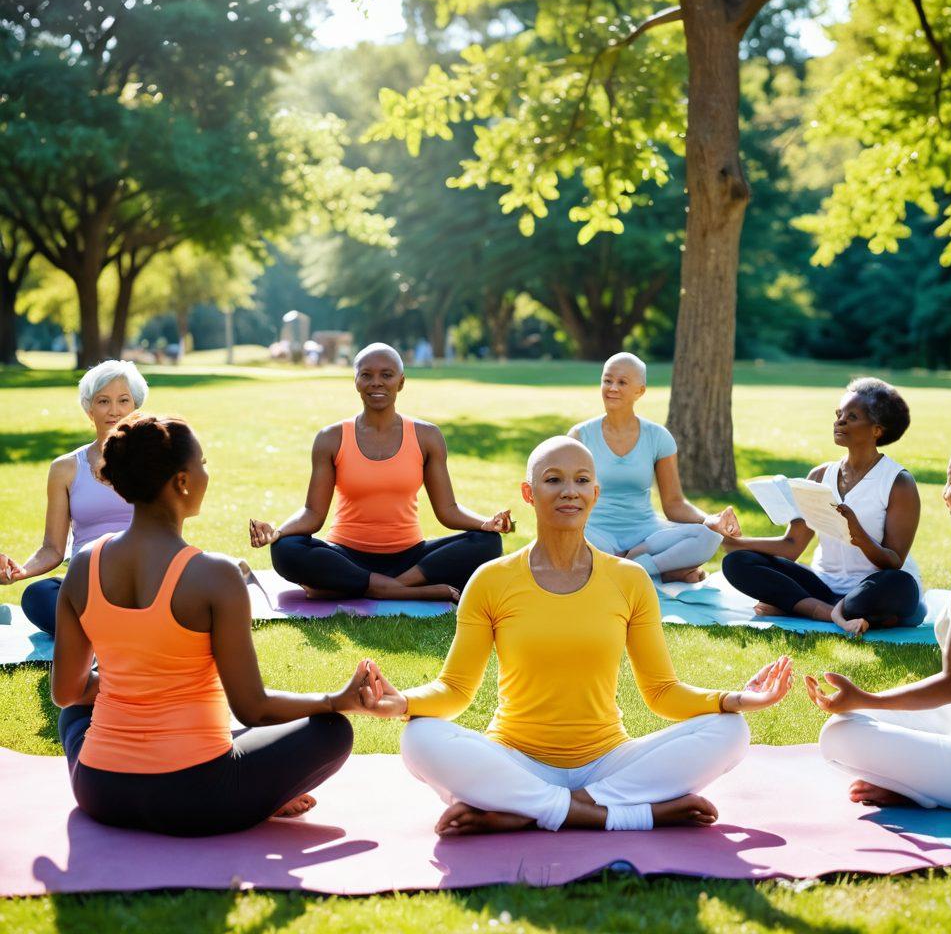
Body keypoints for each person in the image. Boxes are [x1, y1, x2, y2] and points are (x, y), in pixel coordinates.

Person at [359, 436, 793, 836]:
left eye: (582, 480)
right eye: (553, 480)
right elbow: (454, 689)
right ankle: (625, 815)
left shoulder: (629, 579)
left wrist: (734, 699)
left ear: (595, 494)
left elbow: (662, 692)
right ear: (529, 493)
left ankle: (526, 812)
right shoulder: (491, 580)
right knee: (418, 738)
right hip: (516, 760)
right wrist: (403, 703)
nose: (570, 491)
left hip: (607, 762)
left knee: (731, 732)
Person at [51, 412, 376, 836]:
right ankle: (263, 793)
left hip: (100, 789)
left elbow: (66, 692)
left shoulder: (83, 564)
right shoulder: (215, 574)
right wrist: (336, 700)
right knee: (332, 732)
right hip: (195, 795)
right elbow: (253, 708)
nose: (207, 472)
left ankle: (255, 784)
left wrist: (124, 681)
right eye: (202, 463)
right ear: (182, 482)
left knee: (74, 714)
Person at [806, 431, 951, 812]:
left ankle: (924, 788)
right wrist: (866, 703)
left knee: (839, 733)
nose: (944, 492)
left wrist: (865, 696)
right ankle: (924, 779)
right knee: (864, 714)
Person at [251, 343, 511, 603]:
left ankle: (376, 587)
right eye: (366, 375)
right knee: (286, 549)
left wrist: (485, 523)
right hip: (345, 557)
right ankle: (406, 590)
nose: (376, 383)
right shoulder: (330, 438)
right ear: (355, 381)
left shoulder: (427, 436)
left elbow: (448, 510)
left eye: (386, 375)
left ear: (401, 382)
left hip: (411, 559)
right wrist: (278, 532)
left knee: (488, 542)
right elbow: (313, 514)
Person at [721, 378, 923, 636]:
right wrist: (729, 541)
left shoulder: (898, 482)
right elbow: (792, 546)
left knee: (901, 585)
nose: (840, 421)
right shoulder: (819, 475)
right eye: (839, 414)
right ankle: (836, 613)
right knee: (738, 563)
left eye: (852, 416)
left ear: (877, 430)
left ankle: (802, 607)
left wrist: (858, 535)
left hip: (870, 588)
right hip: (821, 586)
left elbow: (893, 562)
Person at [568, 353, 740, 584]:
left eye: (622, 382)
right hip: (596, 533)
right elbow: (568, 495)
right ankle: (662, 570)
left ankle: (638, 567)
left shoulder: (658, 437)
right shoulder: (580, 435)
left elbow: (674, 504)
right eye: (607, 380)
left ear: (640, 391)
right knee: (570, 542)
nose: (612, 388)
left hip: (645, 535)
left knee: (709, 537)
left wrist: (711, 521)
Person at [2, 361, 146, 636]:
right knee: (38, 595)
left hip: (142, 578)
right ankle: (118, 629)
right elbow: (53, 549)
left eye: (123, 400)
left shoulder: (155, 461)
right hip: (87, 583)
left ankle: (99, 631)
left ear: (135, 407)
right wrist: (20, 571)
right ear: (89, 410)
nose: (114, 411)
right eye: (103, 401)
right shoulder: (65, 468)